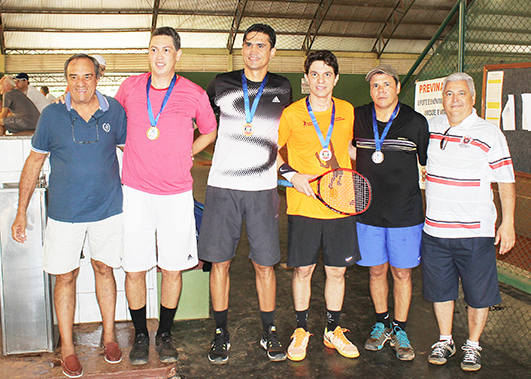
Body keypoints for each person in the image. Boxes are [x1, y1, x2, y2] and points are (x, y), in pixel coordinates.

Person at [11, 53, 126, 378]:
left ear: (97, 78)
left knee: (104, 269)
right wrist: (21, 211)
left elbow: (132, 153)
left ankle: (108, 337)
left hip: (107, 209)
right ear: (66, 80)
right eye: (74, 76)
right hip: (64, 214)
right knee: (65, 277)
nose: (80, 83)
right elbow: (34, 163)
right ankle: (68, 348)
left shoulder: (113, 111)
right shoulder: (51, 115)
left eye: (87, 76)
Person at [115, 27, 217, 366]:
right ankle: (141, 334)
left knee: (172, 268)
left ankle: (165, 334)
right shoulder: (130, 87)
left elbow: (211, 129)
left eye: (166, 50)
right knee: (134, 269)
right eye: (154, 49)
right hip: (135, 193)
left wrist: (190, 150)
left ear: (178, 55)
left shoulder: (193, 92)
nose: (159, 56)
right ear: (148, 53)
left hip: (176, 195)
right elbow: (113, 121)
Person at [198, 23, 292, 364]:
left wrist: (290, 172)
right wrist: (180, 157)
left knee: (265, 264)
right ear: (242, 48)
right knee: (219, 262)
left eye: (261, 45)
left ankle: (269, 330)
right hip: (223, 186)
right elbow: (205, 127)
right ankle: (220, 333)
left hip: (263, 189)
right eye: (249, 44)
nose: (254, 51)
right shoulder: (220, 84)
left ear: (272, 51)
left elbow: (284, 137)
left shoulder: (283, 88)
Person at [422, 72, 515, 372]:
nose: (455, 100)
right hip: (435, 230)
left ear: (473, 98)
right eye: (449, 94)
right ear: (442, 98)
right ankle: (445, 339)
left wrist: (508, 223)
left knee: (478, 294)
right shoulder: (431, 127)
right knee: (441, 291)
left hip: (475, 232)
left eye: (461, 94)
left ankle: (473, 345)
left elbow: (506, 181)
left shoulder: (490, 133)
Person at [277, 50, 360, 362]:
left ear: (336, 79)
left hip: (340, 205)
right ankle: (301, 329)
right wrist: (292, 174)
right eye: (314, 74)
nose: (321, 80)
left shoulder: (349, 111)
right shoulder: (291, 113)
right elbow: (271, 150)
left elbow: (352, 147)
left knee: (337, 271)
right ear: (306, 79)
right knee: (303, 270)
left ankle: (332, 329)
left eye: (327, 74)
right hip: (304, 205)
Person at [352, 65, 429, 361]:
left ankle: (400, 328)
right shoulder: (359, 117)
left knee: (402, 273)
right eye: (374, 85)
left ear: (397, 87)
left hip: (405, 214)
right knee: (376, 270)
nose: (380, 90)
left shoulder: (416, 122)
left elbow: (425, 164)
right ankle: (381, 323)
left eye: (385, 84)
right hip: (368, 212)